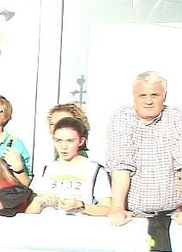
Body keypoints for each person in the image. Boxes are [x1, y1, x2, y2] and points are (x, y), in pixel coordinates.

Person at [104, 71, 182, 227]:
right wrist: (118, 208)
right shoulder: (122, 118)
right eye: (142, 96)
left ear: (164, 96)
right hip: (134, 216)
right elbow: (121, 167)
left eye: (154, 95)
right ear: (134, 97)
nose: (148, 101)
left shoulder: (176, 118)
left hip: (174, 215)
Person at [27, 118, 111, 215]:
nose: (64, 146)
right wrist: (38, 201)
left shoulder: (95, 170)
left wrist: (80, 206)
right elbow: (29, 213)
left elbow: (108, 209)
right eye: (59, 140)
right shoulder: (45, 169)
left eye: (70, 141)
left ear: (81, 141)